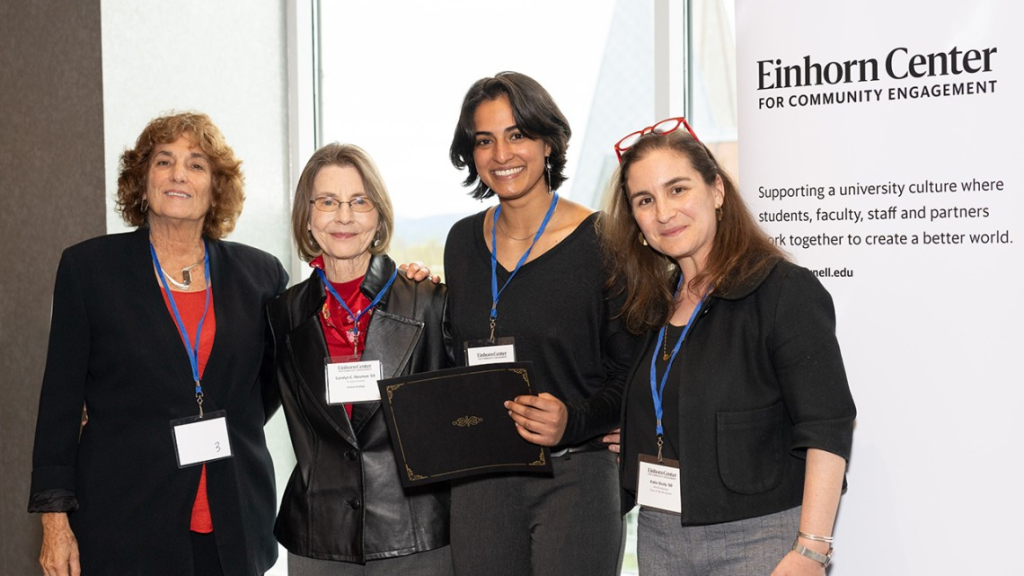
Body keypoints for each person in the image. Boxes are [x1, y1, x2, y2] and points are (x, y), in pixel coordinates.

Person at [29, 112, 288, 576]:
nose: (178, 175)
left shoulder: (261, 275)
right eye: (164, 162)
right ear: (142, 180)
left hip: (233, 519)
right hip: (124, 520)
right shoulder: (89, 270)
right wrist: (54, 519)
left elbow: (267, 385)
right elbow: (59, 405)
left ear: (216, 188)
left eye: (196, 165)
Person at [601, 118, 857, 576]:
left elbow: (827, 425)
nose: (664, 212)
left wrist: (811, 550)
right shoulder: (650, 306)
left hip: (759, 538)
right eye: (645, 200)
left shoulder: (784, 291)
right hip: (660, 535)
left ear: (717, 190)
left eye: (677, 189)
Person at [443, 71, 638, 576]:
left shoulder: (604, 241)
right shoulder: (461, 243)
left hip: (576, 476)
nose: (501, 154)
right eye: (484, 140)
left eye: (517, 134)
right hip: (481, 480)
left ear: (548, 142)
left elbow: (631, 373)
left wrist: (573, 419)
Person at [264, 143, 454, 576]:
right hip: (318, 538)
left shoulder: (429, 301)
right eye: (328, 202)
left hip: (414, 537)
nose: (344, 217)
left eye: (359, 202)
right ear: (307, 217)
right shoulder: (282, 313)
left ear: (379, 216)